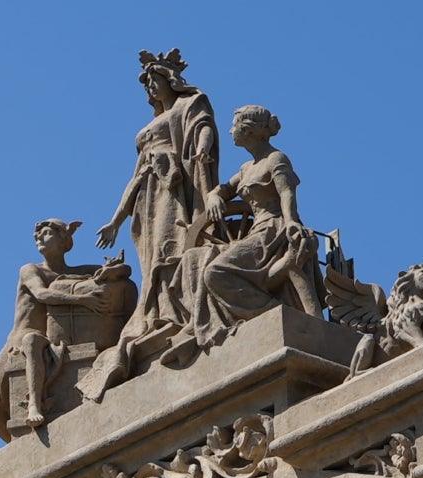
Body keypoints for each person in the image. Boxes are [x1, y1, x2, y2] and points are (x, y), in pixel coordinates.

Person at [81, 49, 217, 401]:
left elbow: (203, 128)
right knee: (152, 259)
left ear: (170, 80)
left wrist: (202, 150)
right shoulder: (145, 133)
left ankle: (177, 312)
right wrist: (115, 220)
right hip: (148, 200)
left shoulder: (189, 105)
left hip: (175, 190)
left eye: (155, 81)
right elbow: (135, 177)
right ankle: (158, 313)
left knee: (173, 248)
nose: (151, 89)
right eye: (147, 85)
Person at [0, 220, 135, 438]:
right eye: (37, 236)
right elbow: (41, 294)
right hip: (19, 338)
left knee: (34, 342)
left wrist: (114, 268)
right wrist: (82, 299)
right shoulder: (30, 270)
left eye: (46, 233)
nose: (39, 238)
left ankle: (35, 409)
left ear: (63, 239)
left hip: (48, 339)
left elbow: (117, 272)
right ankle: (20, 444)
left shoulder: (74, 272)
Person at [187, 105, 323, 348]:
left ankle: (273, 312)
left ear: (248, 130)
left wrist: (291, 221)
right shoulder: (246, 168)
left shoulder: (276, 159)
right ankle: (268, 313)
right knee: (207, 268)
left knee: (216, 272)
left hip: (273, 229)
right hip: (256, 231)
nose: (230, 131)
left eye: (234, 126)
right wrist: (214, 196)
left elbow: (286, 192)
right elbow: (223, 189)